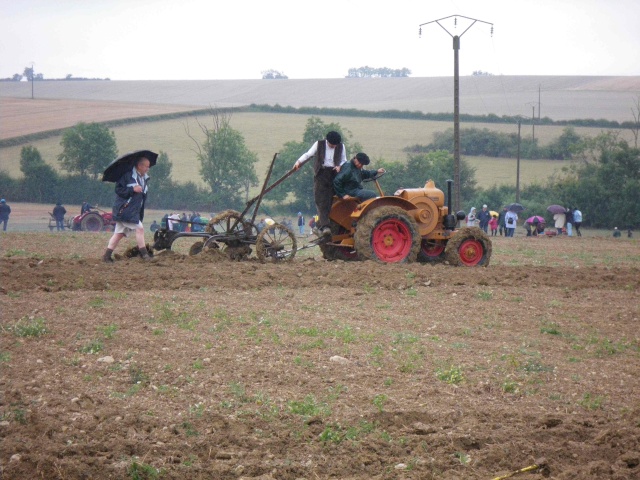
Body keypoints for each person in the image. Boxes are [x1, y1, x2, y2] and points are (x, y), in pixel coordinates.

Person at [293, 131, 347, 237]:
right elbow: (308, 154)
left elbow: (344, 160)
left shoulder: (341, 146)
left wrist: (339, 166)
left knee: (333, 199)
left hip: (334, 174)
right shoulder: (319, 144)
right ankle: (325, 226)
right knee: (320, 199)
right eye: (332, 145)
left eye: (336, 145)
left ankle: (333, 224)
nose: (334, 146)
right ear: (327, 141)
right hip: (321, 174)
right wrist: (298, 162)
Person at [102, 156, 153, 262]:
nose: (148, 169)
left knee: (119, 234)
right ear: (139, 166)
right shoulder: (127, 176)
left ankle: (106, 256)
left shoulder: (144, 179)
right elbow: (118, 190)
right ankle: (145, 256)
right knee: (140, 228)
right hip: (124, 210)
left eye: (148, 167)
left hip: (133, 211)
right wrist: (132, 189)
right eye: (146, 166)